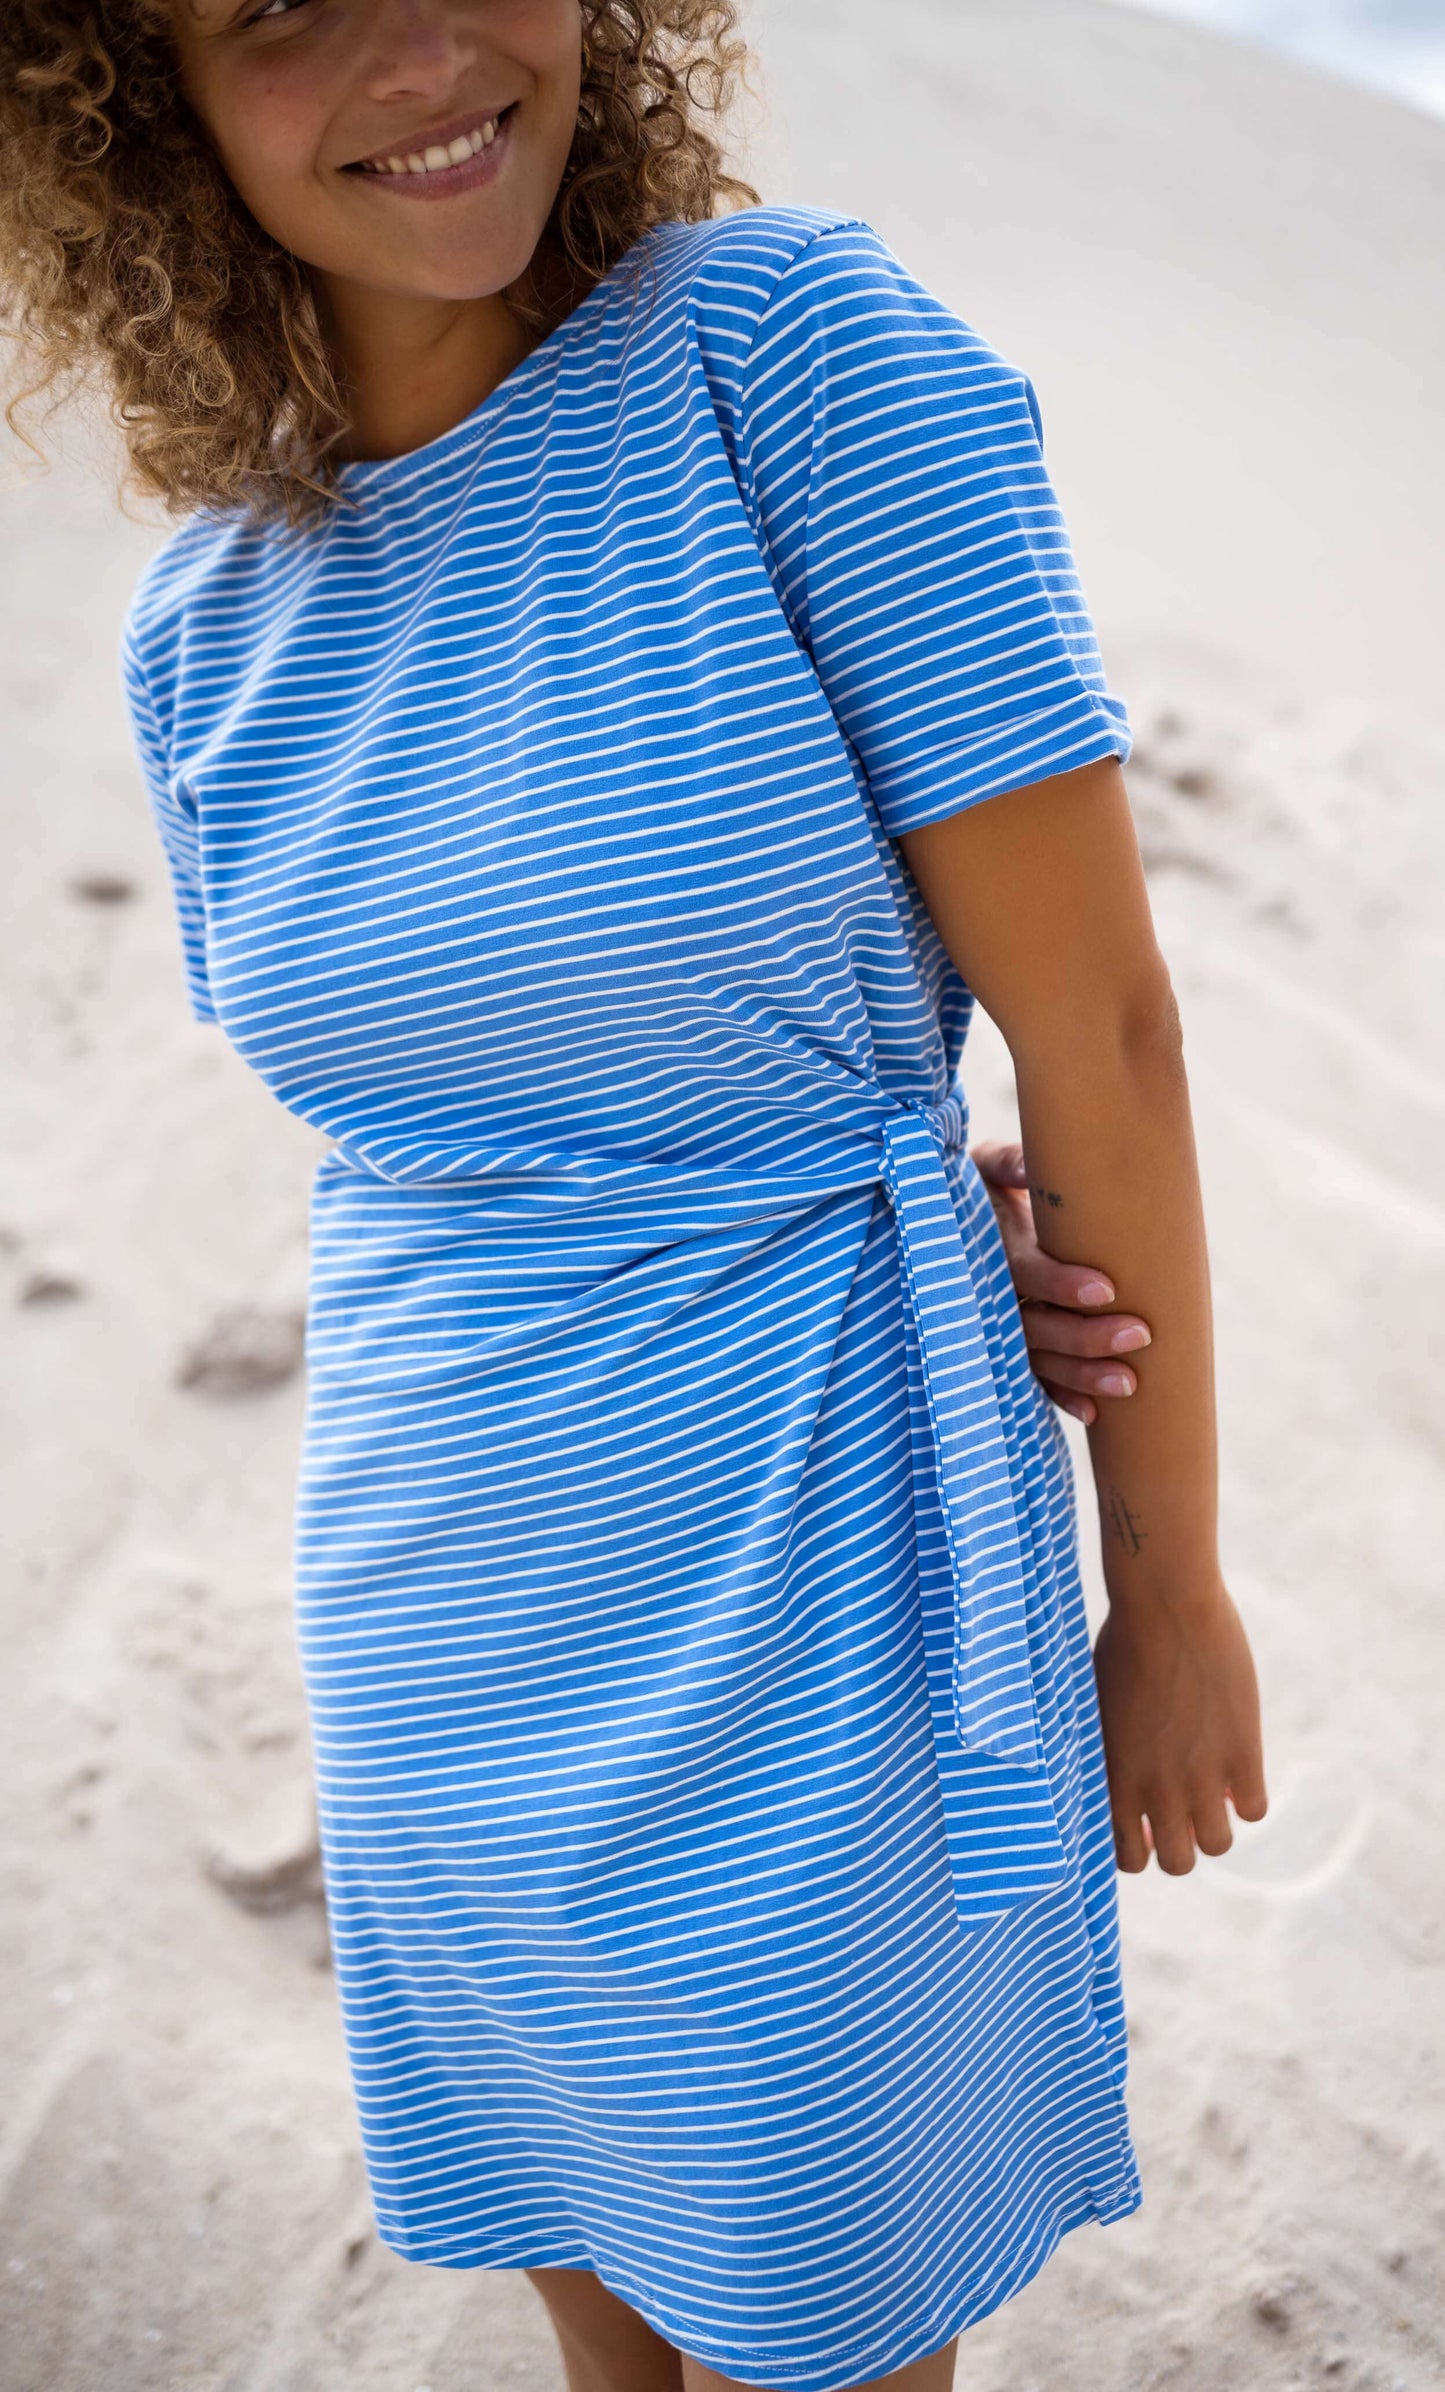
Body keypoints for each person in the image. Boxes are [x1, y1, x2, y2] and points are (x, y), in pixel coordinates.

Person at [0, 5, 1268, 2389]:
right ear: (130, 102)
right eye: (281, 8)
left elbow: (1104, 1032)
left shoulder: (782, 362)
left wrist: (1167, 1584)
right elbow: (448, 1124)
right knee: (597, 2309)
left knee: (828, 2319)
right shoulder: (209, 631)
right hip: (439, 1636)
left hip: (824, 1581)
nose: (417, 50)